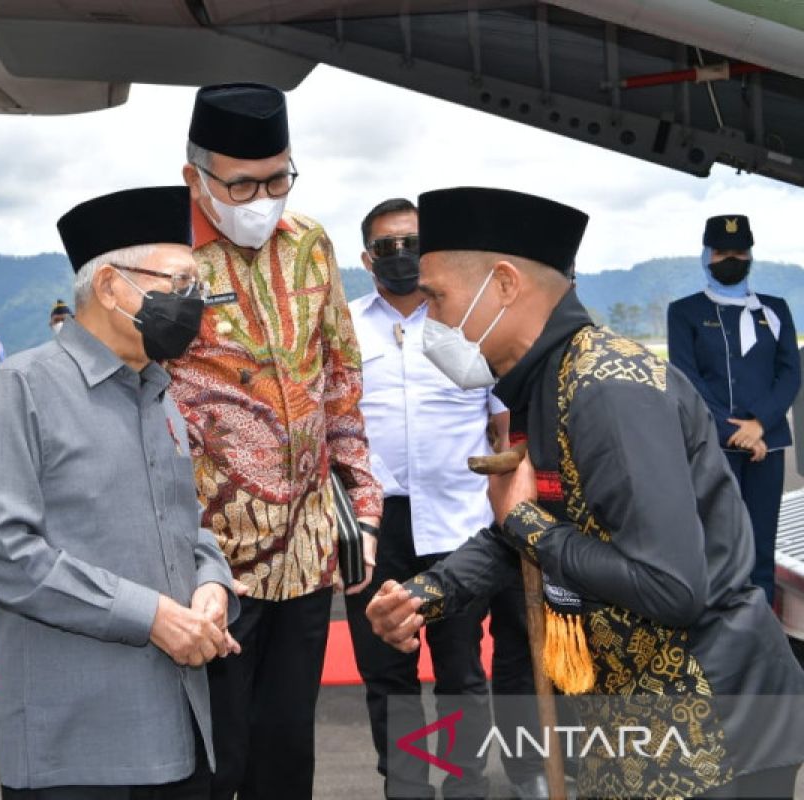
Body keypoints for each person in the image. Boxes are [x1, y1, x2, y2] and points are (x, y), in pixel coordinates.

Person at [366, 187, 804, 799]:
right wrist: (427, 594)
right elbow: (540, 524)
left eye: (436, 297)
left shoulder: (607, 387)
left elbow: (667, 586)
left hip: (711, 726)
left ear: (504, 284)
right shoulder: (548, 382)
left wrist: (526, 526)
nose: (428, 321)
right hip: (632, 722)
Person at [0, 186, 239, 798]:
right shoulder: (18, 390)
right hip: (79, 751)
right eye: (181, 284)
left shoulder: (158, 393)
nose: (195, 304)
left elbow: (184, 526)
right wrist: (152, 616)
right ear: (111, 287)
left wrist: (211, 582)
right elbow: (3, 553)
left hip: (180, 732)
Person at [167, 82, 382, 799]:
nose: (263, 197)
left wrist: (364, 507)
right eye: (242, 182)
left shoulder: (311, 246)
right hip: (208, 567)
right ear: (194, 175)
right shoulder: (164, 260)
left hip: (308, 552)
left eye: (279, 178)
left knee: (287, 752)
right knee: (210, 757)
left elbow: (341, 380)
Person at [345, 197, 546, 799]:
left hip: (460, 521)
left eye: (412, 244)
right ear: (366, 258)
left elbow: (503, 427)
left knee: (460, 671)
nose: (401, 257)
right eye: (387, 247)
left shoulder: (466, 326)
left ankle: (464, 788)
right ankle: (406, 788)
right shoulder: (344, 327)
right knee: (389, 674)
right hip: (374, 523)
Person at [667, 216, 800, 604]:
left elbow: (790, 373)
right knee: (719, 545)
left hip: (767, 445)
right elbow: (688, 379)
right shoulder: (685, 312)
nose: (730, 259)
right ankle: (721, 637)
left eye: (738, 252)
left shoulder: (774, 310)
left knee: (761, 548)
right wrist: (735, 434)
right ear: (706, 255)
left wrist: (760, 424)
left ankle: (762, 640)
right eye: (722, 252)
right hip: (714, 446)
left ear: (750, 255)